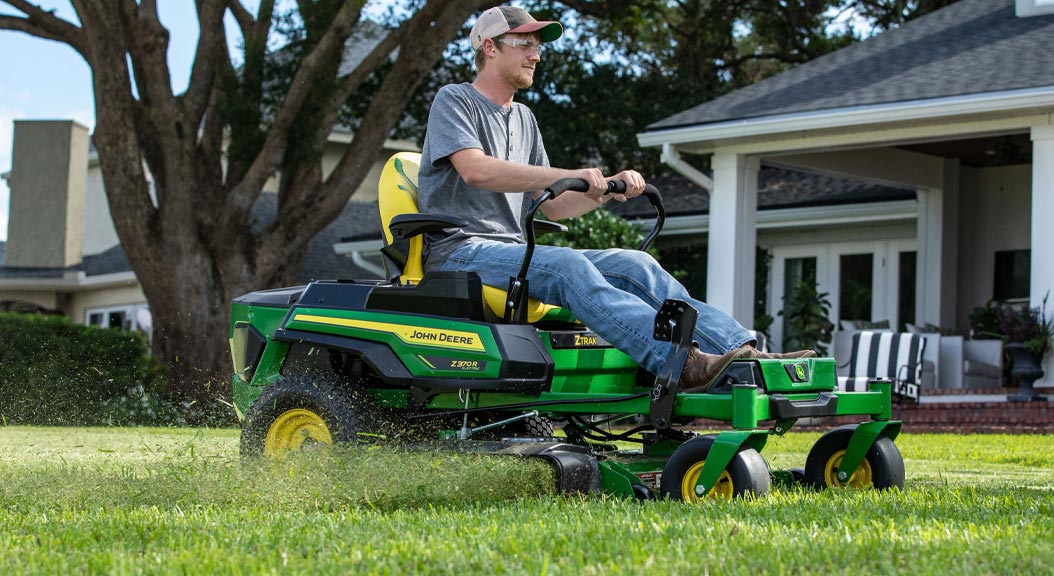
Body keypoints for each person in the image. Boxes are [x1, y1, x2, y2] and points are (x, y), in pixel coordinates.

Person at [417, 6, 814, 392]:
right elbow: (476, 169)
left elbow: (552, 204)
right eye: (525, 44)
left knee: (636, 263)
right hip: (458, 252)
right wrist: (570, 176)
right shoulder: (455, 100)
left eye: (538, 46)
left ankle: (738, 352)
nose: (536, 55)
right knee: (568, 266)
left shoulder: (524, 119)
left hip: (510, 252)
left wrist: (604, 189)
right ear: (490, 47)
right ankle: (681, 362)